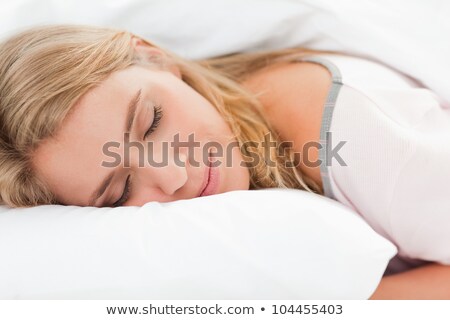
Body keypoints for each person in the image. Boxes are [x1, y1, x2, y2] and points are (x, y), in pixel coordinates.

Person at [0, 24, 449, 299]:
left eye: (152, 121)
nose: (174, 175)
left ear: (155, 57)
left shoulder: (347, 128)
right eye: (119, 192)